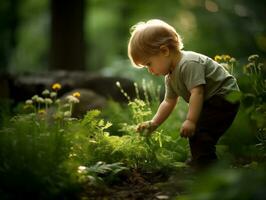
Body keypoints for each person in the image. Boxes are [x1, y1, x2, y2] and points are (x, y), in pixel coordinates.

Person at [127, 19, 240, 168]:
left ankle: (206, 169)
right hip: (211, 100)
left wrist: (191, 120)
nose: (150, 70)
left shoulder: (188, 63)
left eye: (149, 64)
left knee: (200, 131)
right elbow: (168, 102)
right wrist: (154, 123)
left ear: (164, 51)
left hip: (225, 96)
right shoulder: (170, 77)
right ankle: (200, 162)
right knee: (198, 133)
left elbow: (197, 92)